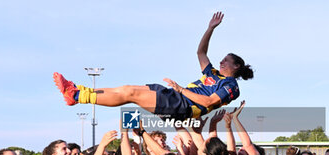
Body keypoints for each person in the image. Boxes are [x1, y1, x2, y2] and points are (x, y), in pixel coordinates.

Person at [53, 12, 253, 120]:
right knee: (127, 90)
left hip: (182, 106)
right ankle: (78, 92)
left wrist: (180, 89)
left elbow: (209, 101)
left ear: (235, 66)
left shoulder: (231, 86)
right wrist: (210, 28)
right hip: (176, 97)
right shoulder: (214, 73)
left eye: (226, 60)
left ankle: (77, 96)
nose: (221, 61)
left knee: (130, 93)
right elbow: (201, 52)